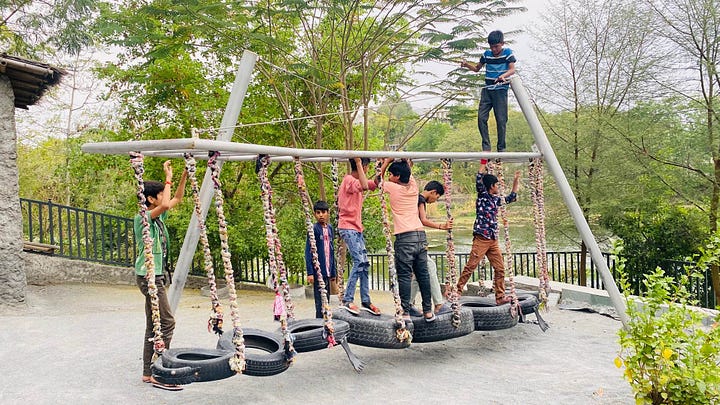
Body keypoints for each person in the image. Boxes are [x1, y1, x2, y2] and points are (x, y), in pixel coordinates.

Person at [134, 160, 187, 390]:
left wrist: (182, 175)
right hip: (149, 277)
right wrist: (166, 177)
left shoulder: (157, 216)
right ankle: (159, 372)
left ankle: (148, 372)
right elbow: (165, 205)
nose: (162, 198)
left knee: (153, 324)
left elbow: (175, 199)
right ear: (150, 200)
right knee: (167, 322)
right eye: (159, 195)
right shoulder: (143, 218)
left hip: (154, 275)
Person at [456, 159, 520, 305]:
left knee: (500, 268)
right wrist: (483, 161)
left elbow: (511, 197)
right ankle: (457, 291)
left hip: (493, 240)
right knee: (471, 266)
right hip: (481, 238)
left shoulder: (495, 200)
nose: (498, 187)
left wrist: (516, 180)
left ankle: (500, 297)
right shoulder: (483, 196)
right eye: (497, 184)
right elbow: (479, 179)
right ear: (491, 186)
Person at [379, 158, 435, 322]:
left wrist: (387, 161)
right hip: (420, 235)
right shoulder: (413, 187)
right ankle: (428, 311)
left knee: (404, 276)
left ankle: (405, 312)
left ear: (397, 177)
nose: (389, 176)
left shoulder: (393, 188)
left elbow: (377, 179)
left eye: (391, 174)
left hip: (405, 237)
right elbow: (407, 172)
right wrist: (405, 162)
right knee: (422, 275)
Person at [338, 157, 381, 316]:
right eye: (367, 167)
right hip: (348, 227)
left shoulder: (357, 181)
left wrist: (385, 162)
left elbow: (375, 182)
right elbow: (364, 185)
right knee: (359, 261)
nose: (368, 170)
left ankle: (365, 300)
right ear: (363, 166)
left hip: (356, 228)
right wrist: (357, 163)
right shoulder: (349, 180)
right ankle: (348, 299)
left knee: (365, 264)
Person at [460, 30, 516, 152]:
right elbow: (476, 68)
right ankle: (486, 146)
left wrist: (504, 76)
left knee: (501, 119)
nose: (494, 50)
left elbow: (512, 70)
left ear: (502, 43)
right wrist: (466, 65)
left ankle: (501, 148)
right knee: (481, 118)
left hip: (500, 90)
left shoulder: (507, 53)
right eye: (492, 47)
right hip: (487, 90)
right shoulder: (486, 54)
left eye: (496, 47)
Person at [411, 180, 452, 314]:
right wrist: (441, 226)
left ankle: (409, 305)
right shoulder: (420, 199)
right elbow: (423, 219)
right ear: (433, 192)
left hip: (410, 239)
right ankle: (439, 304)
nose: (435, 200)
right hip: (415, 240)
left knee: (416, 273)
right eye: (437, 197)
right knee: (430, 266)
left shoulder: (414, 197)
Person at [305, 200, 337, 319]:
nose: (321, 215)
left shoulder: (329, 229)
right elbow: (308, 251)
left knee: (326, 300)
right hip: (318, 272)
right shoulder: (314, 229)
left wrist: (333, 272)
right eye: (318, 212)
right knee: (319, 302)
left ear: (328, 213)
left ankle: (327, 322)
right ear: (315, 214)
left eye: (323, 212)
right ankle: (319, 324)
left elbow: (331, 251)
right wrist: (310, 272)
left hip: (328, 271)